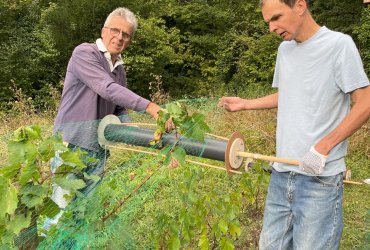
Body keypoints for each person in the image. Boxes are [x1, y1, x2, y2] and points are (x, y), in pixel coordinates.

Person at [218, 0, 370, 249]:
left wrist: (324, 146)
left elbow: (365, 102)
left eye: (276, 17)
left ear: (300, 5)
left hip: (319, 179)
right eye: (268, 22)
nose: (271, 28)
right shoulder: (285, 51)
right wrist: (245, 104)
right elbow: (289, 93)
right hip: (281, 174)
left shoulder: (338, 45)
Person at [52, 7, 172, 211]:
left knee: (84, 212)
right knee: (60, 210)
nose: (119, 37)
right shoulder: (84, 53)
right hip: (71, 145)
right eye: (115, 30)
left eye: (126, 35)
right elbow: (106, 88)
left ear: (130, 41)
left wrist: (141, 135)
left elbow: (118, 110)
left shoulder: (119, 70)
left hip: (98, 150)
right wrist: (150, 107)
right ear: (103, 31)